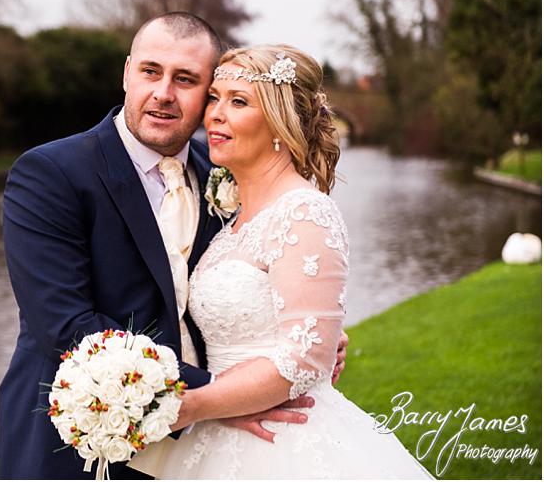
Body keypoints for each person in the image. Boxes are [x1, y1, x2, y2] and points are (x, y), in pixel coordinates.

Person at [0, 14, 348, 479]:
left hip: (206, 446)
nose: (163, 92)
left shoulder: (223, 170)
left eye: (186, 79)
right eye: (150, 71)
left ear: (207, 93)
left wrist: (306, 334)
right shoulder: (51, 174)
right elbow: (66, 325)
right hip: (82, 443)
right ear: (126, 73)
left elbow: (262, 276)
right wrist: (217, 396)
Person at [127, 45, 432, 479]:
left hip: (283, 441)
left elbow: (304, 356)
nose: (214, 114)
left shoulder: (305, 212)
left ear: (278, 121)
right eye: (214, 97)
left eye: (238, 101)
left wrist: (189, 406)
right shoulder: (232, 217)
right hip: (220, 427)